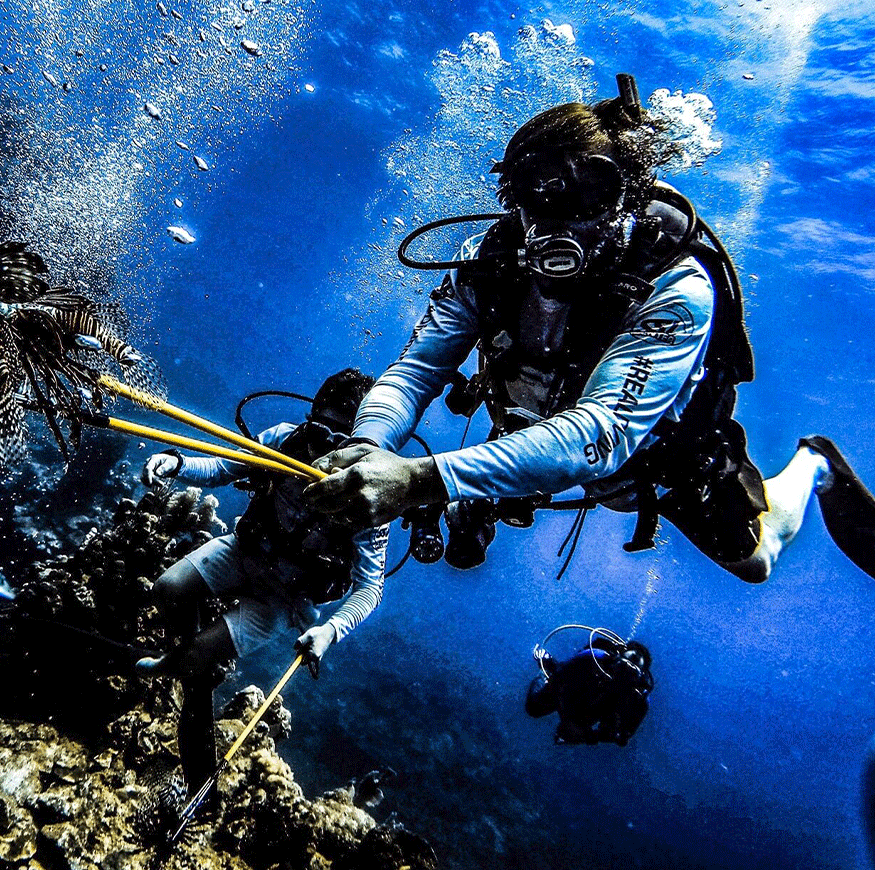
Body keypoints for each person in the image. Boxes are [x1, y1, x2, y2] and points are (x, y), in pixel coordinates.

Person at [304, 75, 875, 583]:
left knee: (757, 561)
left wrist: (419, 479)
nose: (563, 223)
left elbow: (600, 433)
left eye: (591, 194)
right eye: (537, 195)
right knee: (481, 477)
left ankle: (814, 463)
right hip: (540, 434)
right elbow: (418, 368)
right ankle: (478, 492)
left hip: (657, 464)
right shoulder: (488, 264)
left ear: (627, 195)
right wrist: (368, 446)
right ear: (515, 200)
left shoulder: (675, 286)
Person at [135, 368, 388, 794]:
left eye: (338, 440)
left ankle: (187, 679)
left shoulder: (370, 492)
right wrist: (176, 463)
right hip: (243, 550)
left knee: (195, 667)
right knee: (167, 590)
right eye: (320, 430)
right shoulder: (287, 438)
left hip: (285, 598)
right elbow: (221, 467)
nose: (323, 448)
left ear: (360, 441)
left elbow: (371, 586)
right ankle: (188, 663)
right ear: (311, 415)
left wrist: (329, 630)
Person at [525, 635, 653, 746]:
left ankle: (548, 665)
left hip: (587, 709)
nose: (624, 672)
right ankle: (545, 670)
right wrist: (569, 720)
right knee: (534, 708)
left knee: (569, 730)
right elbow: (560, 677)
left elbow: (623, 737)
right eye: (623, 666)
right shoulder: (594, 658)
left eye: (631, 672)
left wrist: (590, 736)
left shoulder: (639, 699)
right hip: (568, 690)